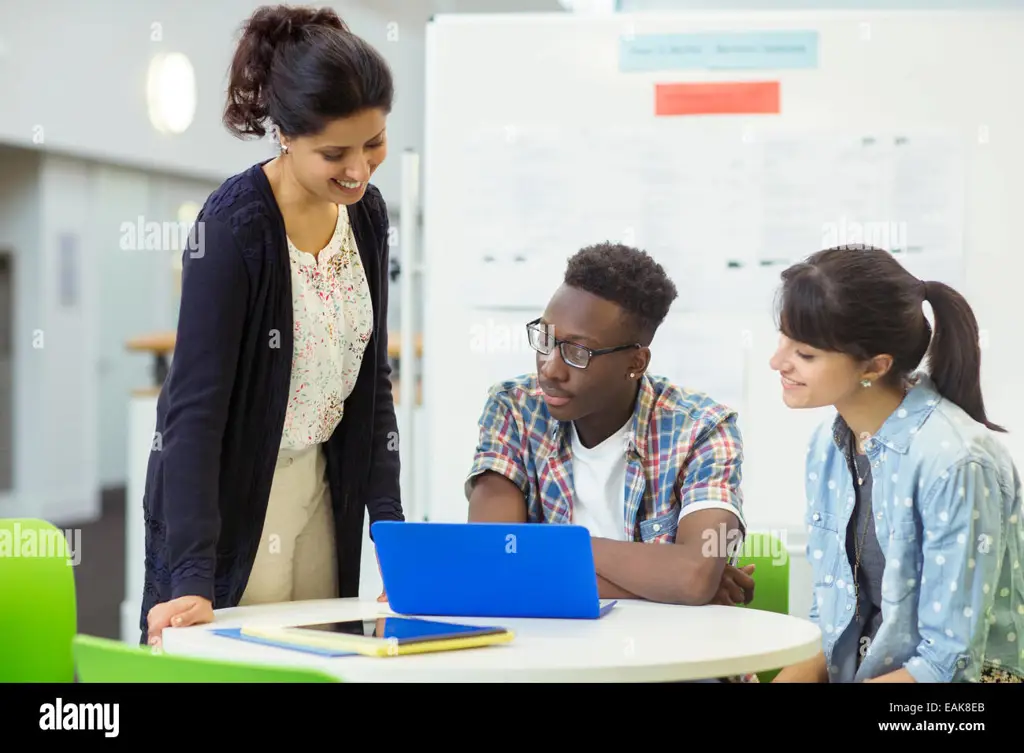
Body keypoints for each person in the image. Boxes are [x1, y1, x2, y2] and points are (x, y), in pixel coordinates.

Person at [141, 5, 404, 647]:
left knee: (327, 654)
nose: (359, 169)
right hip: (233, 498)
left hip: (321, 483)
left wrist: (394, 540)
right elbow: (194, 413)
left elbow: (371, 387)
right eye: (334, 153)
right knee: (240, 662)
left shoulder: (365, 215)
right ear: (285, 134)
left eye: (373, 143)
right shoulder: (233, 228)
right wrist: (193, 574)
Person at [769, 244, 1024, 683]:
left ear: (875, 365)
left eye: (805, 354)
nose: (778, 362)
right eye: (782, 339)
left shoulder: (956, 460)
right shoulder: (827, 446)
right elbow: (828, 625)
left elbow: (950, 663)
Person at [465, 242, 757, 613]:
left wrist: (552, 547)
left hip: (673, 659)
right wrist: (666, 581)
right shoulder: (514, 408)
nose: (550, 368)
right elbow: (491, 565)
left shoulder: (704, 428)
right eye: (546, 339)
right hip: (549, 656)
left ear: (635, 362)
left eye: (578, 352)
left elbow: (692, 577)